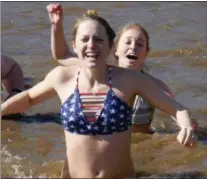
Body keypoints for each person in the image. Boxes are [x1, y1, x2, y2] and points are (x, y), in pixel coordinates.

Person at [2, 9, 196, 179]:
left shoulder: (131, 80)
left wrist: (186, 125)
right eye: (85, 39)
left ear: (111, 46)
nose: (92, 45)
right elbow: (28, 98)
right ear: (75, 45)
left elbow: (177, 108)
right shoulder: (61, 77)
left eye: (99, 39)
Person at [47, 3, 197, 134]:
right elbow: (62, 55)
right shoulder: (100, 72)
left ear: (146, 53)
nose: (133, 47)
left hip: (141, 144)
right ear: (116, 49)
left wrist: (188, 128)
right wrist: (56, 26)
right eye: (128, 42)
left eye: (139, 44)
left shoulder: (156, 86)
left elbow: (177, 112)